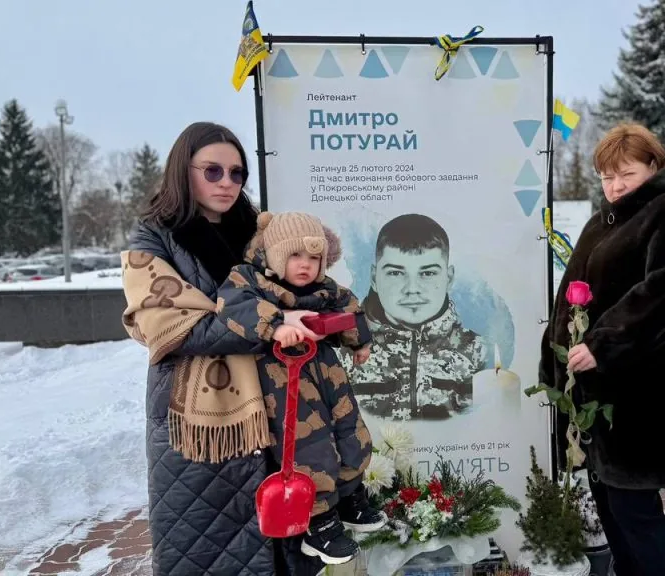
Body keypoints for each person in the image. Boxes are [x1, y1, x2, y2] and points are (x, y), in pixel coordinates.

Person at [120, 122, 325, 576]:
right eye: (213, 171)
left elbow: (300, 289)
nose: (227, 183)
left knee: (286, 541)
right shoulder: (154, 238)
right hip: (197, 419)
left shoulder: (259, 234)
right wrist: (271, 323)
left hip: (275, 404)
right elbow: (173, 326)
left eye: (237, 174)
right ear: (183, 170)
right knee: (205, 544)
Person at [539, 123, 665, 576]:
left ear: (653, 166)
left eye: (626, 174)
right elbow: (572, 294)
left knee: (635, 509)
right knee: (610, 505)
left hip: (643, 393)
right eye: (606, 177)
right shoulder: (606, 220)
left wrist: (603, 342)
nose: (614, 186)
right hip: (598, 391)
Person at [215, 211, 384, 565]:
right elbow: (232, 306)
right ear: (275, 254)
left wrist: (358, 341)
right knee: (309, 444)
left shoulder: (324, 289)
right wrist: (275, 325)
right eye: (295, 256)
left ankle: (351, 494)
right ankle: (318, 521)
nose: (305, 266)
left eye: (314, 258)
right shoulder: (252, 279)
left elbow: (350, 308)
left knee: (350, 429)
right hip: (284, 378)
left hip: (326, 371)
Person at [347, 213, 486, 420]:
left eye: (427, 273)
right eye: (396, 273)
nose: (412, 289)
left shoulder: (479, 354)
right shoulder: (343, 353)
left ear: (448, 278)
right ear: (374, 278)